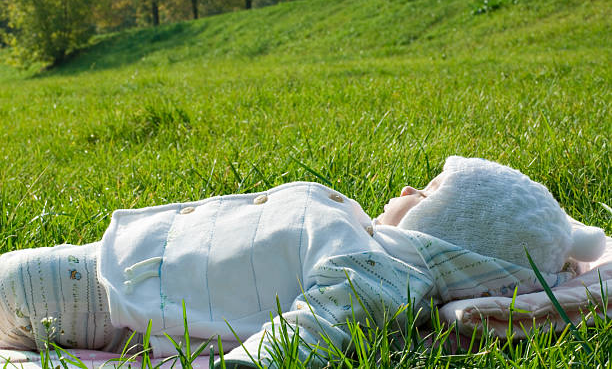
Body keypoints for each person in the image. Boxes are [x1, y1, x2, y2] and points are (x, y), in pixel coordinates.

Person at [0, 156, 606, 367]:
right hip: (112, 288)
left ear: (448, 229)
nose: (409, 193)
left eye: (429, 193)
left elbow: (310, 330)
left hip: (76, 292)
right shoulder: (378, 256)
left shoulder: (379, 269)